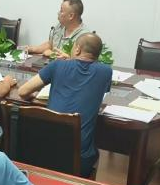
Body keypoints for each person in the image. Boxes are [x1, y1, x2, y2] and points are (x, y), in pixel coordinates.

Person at [19, 33, 112, 177]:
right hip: (79, 160)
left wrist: (68, 62)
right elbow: (85, 72)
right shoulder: (106, 72)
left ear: (77, 49)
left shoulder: (57, 65)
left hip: (45, 153)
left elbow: (23, 91)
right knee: (94, 151)